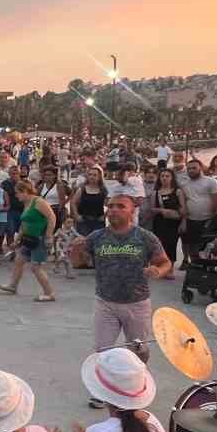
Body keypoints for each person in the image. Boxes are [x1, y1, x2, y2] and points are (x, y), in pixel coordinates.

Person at [71, 194, 171, 401]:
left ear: (132, 211)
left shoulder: (145, 237)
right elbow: (78, 263)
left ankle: (136, 383)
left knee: (139, 349)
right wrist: (76, 249)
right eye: (111, 206)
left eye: (120, 206)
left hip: (137, 303)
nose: (114, 210)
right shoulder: (96, 237)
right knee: (102, 349)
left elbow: (165, 262)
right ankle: (103, 390)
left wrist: (158, 271)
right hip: (105, 302)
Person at [0, 181, 56, 302]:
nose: (16, 196)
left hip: (39, 239)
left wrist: (49, 236)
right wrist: (17, 240)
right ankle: (13, 286)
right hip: (28, 239)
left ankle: (49, 293)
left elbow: (52, 217)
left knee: (36, 267)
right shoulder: (27, 203)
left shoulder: (38, 202)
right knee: (19, 260)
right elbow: (24, 224)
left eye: (18, 193)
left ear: (25, 191)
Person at [149, 168, 183, 275]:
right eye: (162, 176)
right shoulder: (155, 192)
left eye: (167, 176)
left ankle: (170, 268)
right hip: (159, 221)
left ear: (172, 178)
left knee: (171, 244)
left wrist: (179, 217)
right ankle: (159, 266)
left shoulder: (178, 191)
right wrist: (162, 210)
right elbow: (152, 209)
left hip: (173, 222)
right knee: (159, 244)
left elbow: (183, 209)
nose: (165, 178)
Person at [71, 166, 108, 238]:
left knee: (97, 243)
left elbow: (110, 204)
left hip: (98, 221)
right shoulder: (82, 189)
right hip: (84, 221)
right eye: (90, 174)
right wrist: (76, 215)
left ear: (99, 177)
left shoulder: (103, 190)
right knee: (84, 243)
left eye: (95, 175)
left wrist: (105, 216)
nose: (92, 177)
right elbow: (73, 202)